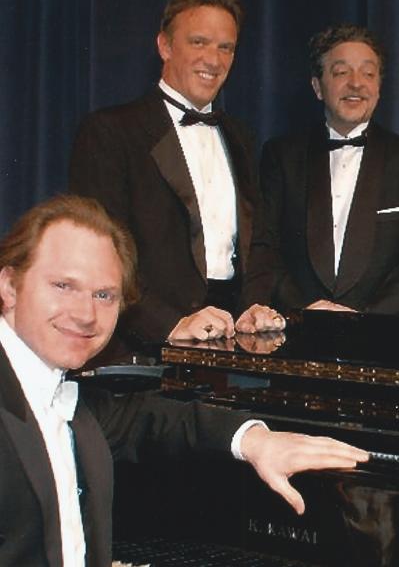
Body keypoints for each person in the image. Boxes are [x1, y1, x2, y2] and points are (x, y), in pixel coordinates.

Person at [0, 194, 369, 566]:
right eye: (63, 286)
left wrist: (256, 441)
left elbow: (154, 419)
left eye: (104, 295)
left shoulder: (66, 397)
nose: (86, 314)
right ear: (9, 286)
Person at [69, 0, 282, 362]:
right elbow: (102, 252)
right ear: (165, 46)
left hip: (231, 348)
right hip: (143, 349)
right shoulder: (110, 130)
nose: (213, 59)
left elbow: (259, 241)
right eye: (199, 42)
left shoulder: (242, 137)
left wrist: (252, 307)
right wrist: (169, 324)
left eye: (226, 47)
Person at [259, 24, 399, 314]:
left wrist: (367, 320)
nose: (356, 83)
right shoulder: (282, 156)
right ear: (317, 87)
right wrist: (305, 310)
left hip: (380, 331)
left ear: (379, 88)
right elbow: (265, 248)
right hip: (297, 328)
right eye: (341, 72)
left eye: (368, 73)